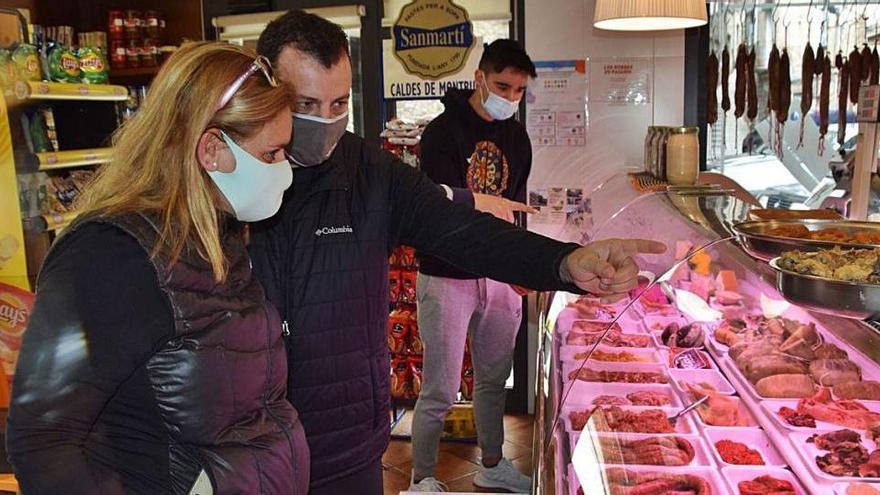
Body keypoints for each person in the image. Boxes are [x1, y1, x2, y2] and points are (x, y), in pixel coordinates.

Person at [251, 10, 666, 494]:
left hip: (347, 447)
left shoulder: (370, 175)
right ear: (265, 87)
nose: (324, 122)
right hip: (253, 451)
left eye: (338, 103)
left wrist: (564, 262)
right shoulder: (226, 180)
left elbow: (466, 231)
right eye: (306, 104)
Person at [6, 43, 310, 495]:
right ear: (211, 149)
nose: (285, 171)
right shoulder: (109, 257)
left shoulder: (217, 235)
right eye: (272, 154)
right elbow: (44, 439)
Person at [410, 39, 538, 493]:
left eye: (520, 91)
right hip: (447, 274)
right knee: (440, 389)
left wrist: (522, 264)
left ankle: (492, 463)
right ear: (480, 78)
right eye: (503, 86)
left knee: (491, 380)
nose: (510, 98)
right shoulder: (442, 133)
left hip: (499, 272)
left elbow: (515, 205)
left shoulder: (517, 137)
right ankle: (421, 477)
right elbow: (435, 209)